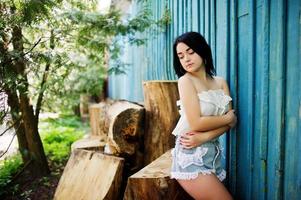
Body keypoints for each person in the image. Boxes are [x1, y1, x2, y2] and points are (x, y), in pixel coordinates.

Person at [170, 31, 237, 200]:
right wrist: (227, 119)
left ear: (203, 50)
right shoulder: (185, 81)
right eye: (181, 56)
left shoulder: (220, 82)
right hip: (191, 155)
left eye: (191, 52)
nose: (186, 58)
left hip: (212, 155)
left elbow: (231, 124)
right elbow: (196, 123)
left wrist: (205, 136)